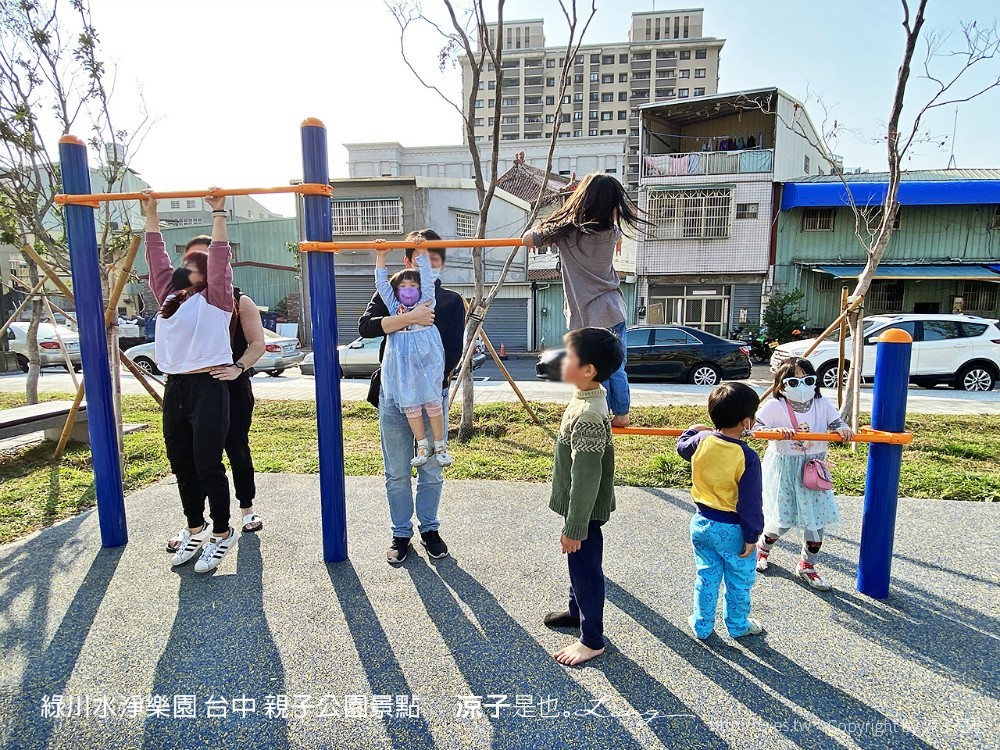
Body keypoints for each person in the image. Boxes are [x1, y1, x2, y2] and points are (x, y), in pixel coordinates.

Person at [143, 190, 238, 573]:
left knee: (207, 464)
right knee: (180, 462)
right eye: (187, 266)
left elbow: (220, 260)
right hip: (176, 388)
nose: (189, 271)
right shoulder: (169, 296)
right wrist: (151, 214)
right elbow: (156, 258)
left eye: (196, 267)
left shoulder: (217, 299)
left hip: (208, 387)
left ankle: (222, 533)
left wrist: (218, 213)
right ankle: (194, 528)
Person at [359, 229, 465, 565]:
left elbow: (453, 351)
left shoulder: (444, 300)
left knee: (432, 466)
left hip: (431, 393)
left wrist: (431, 382)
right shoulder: (393, 292)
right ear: (405, 263)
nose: (426, 265)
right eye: (419, 257)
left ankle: (429, 528)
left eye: (433, 259)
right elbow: (366, 327)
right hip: (394, 395)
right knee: (397, 471)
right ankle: (401, 532)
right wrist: (409, 318)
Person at [521, 173, 643, 429]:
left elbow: (527, 239)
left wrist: (550, 225)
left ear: (582, 200)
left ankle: (597, 412)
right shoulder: (612, 233)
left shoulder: (567, 233)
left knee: (593, 369)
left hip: (587, 315)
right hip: (613, 309)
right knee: (615, 366)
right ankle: (621, 414)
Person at [165, 285, 267, 555]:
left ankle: (247, 509)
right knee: (194, 458)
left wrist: (238, 367)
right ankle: (196, 526)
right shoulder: (186, 299)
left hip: (232, 387)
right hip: (197, 388)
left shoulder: (239, 300)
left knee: (236, 448)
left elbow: (258, 344)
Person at [543, 327, 623, 666]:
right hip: (581, 508)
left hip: (584, 511)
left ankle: (592, 639)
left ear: (588, 369)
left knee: (586, 570)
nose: (563, 360)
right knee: (579, 567)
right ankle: (578, 613)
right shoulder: (586, 397)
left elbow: (586, 477)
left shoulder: (588, 414)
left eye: (569, 356)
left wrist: (575, 527)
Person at [754, 357, 853, 591]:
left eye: (808, 380)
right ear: (781, 385)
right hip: (786, 471)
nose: (803, 386)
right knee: (781, 521)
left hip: (814, 471)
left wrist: (842, 429)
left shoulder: (821, 403)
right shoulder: (775, 406)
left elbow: (837, 422)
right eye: (794, 381)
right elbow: (754, 429)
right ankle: (762, 548)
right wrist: (774, 431)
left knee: (816, 523)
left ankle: (807, 565)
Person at [677, 382, 765, 640]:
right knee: (739, 580)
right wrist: (752, 535)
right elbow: (750, 502)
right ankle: (737, 625)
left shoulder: (702, 440)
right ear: (747, 423)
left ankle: (702, 625)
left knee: (707, 575)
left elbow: (682, 446)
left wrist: (693, 428)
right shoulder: (746, 456)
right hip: (734, 529)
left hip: (702, 522)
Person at [374, 240, 451, 468]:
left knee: (433, 403)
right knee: (412, 407)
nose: (408, 290)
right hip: (403, 366)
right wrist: (381, 258)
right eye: (403, 287)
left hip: (427, 362)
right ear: (397, 291)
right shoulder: (394, 307)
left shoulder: (427, 301)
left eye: (413, 286)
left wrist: (424, 257)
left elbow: (427, 280)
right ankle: (423, 445)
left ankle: (440, 446)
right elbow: (382, 285)